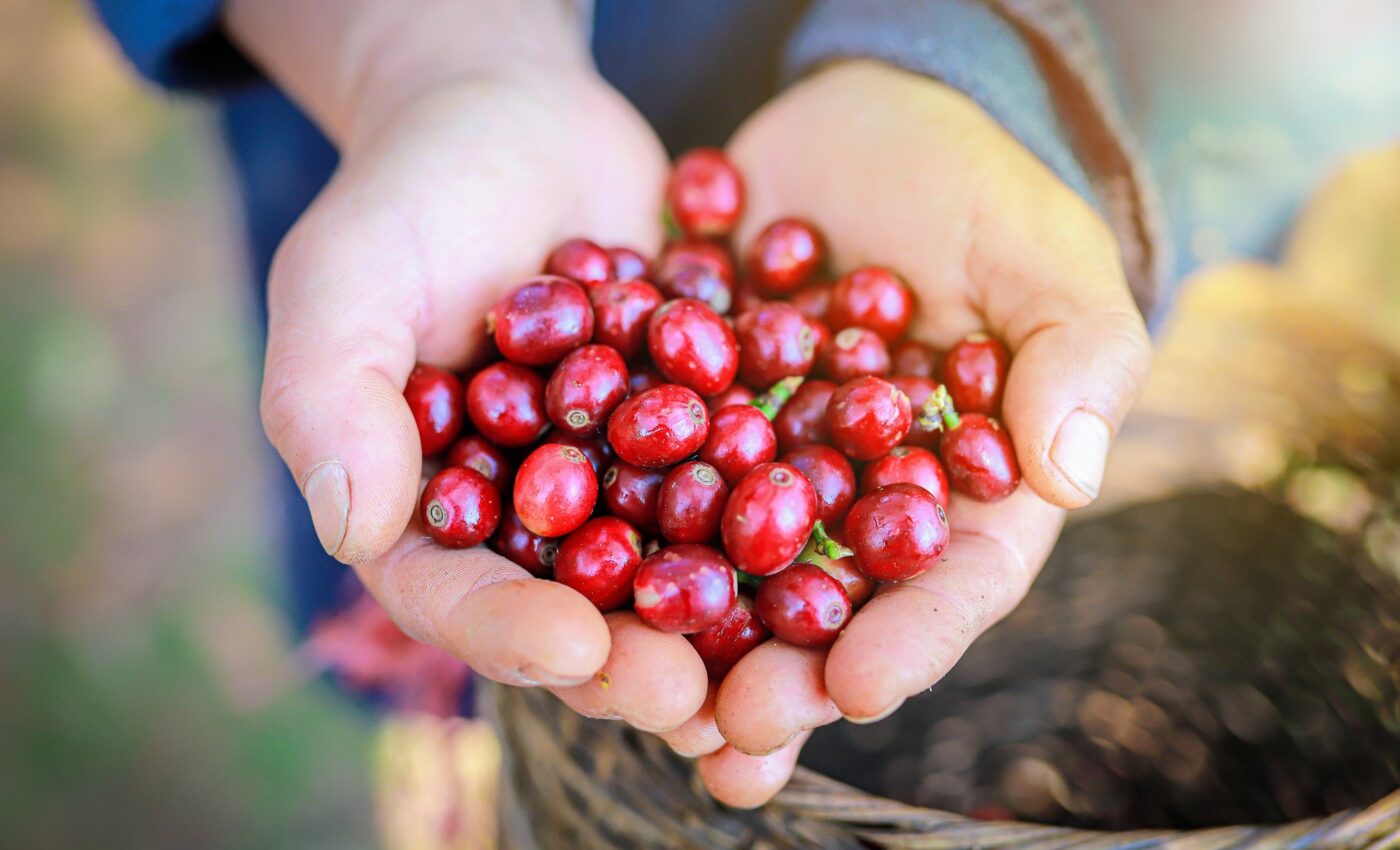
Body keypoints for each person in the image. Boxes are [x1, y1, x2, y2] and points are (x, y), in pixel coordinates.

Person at [92, 0, 1400, 809]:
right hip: (418, 133)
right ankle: (457, 755)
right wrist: (418, 49)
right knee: (474, 680)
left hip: (923, 94)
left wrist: (1016, 82)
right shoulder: (639, 402)